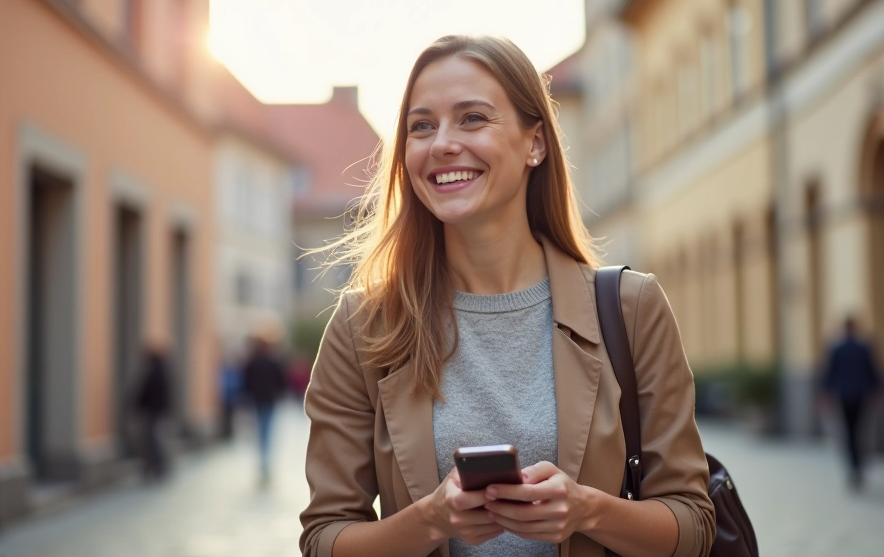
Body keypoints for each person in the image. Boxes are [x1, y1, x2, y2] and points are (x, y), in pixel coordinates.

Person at [299, 35, 715, 557]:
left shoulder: (631, 309)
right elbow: (323, 541)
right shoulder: (364, 325)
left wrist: (589, 510)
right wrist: (429, 520)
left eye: (472, 118)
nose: (443, 143)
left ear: (535, 143)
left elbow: (694, 527)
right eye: (421, 126)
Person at [819, 316, 881, 491]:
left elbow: (830, 373)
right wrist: (877, 390)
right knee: (859, 430)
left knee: (849, 432)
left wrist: (825, 394)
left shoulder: (838, 348)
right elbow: (872, 371)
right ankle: (858, 464)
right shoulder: (863, 348)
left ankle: (854, 466)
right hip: (860, 394)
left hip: (844, 395)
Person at [242, 331, 287, 484]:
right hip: (269, 400)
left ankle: (263, 463)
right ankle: (265, 463)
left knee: (260, 431)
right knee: (266, 430)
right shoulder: (272, 361)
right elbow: (280, 382)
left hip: (257, 400)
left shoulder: (252, 361)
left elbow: (246, 382)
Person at [135, 345, 172, 481]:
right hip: (157, 411)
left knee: (153, 441)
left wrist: (139, 405)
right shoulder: (162, 371)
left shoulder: (155, 373)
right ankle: (157, 467)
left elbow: (148, 392)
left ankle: (156, 467)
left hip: (153, 411)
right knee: (156, 440)